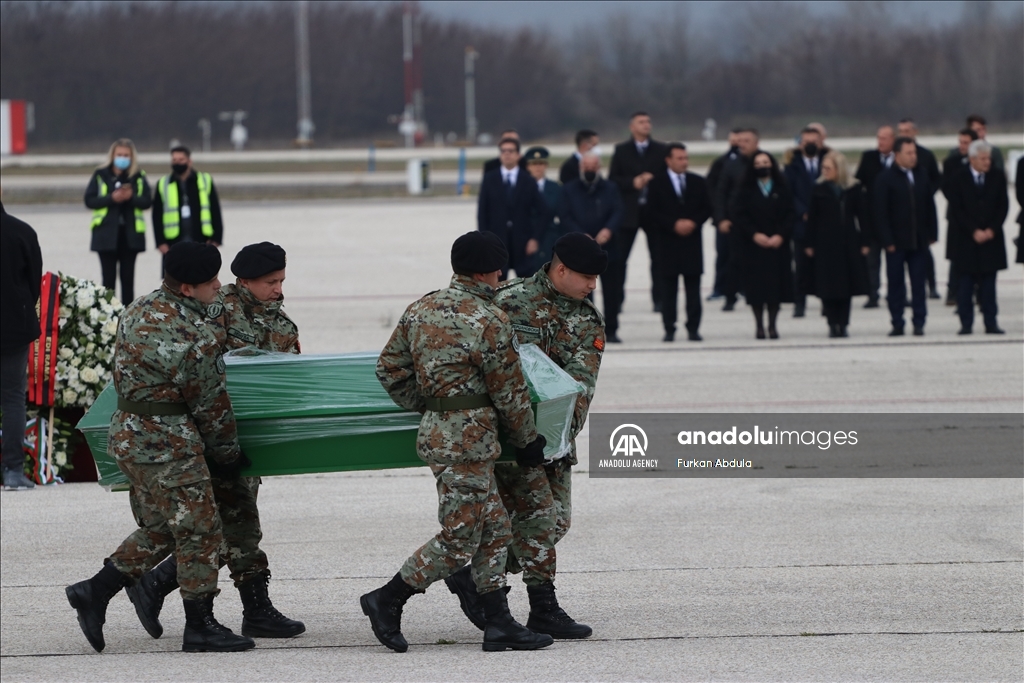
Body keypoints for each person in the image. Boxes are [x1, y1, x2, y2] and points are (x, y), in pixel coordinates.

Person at [363, 231, 552, 654]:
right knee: (459, 538)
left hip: (442, 435)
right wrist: (527, 440)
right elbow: (509, 391)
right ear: (489, 272)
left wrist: (435, 406)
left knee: (496, 529)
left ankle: (499, 622)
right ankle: (388, 598)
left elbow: (389, 369)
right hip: (471, 443)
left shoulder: (421, 308)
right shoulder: (489, 319)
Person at [65, 242, 254, 654]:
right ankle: (200, 625)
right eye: (211, 281)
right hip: (168, 447)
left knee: (163, 527)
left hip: (128, 437)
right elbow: (211, 406)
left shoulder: (138, 308)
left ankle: (94, 591)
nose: (218, 286)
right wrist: (228, 455)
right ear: (187, 288)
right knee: (201, 530)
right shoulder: (195, 336)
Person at [126, 242, 304, 642]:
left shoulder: (282, 325)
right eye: (270, 282)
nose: (278, 290)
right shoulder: (213, 309)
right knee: (215, 529)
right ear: (244, 281)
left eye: (281, 281)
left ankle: (254, 609)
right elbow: (199, 379)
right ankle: (156, 586)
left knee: (241, 528)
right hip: (206, 437)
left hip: (243, 438)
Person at [444, 232, 607, 641]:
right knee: (539, 519)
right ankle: (542, 607)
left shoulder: (587, 321)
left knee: (557, 522)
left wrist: (558, 439)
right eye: (586, 277)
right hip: (508, 436)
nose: (592, 286)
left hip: (553, 441)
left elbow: (581, 388)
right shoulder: (506, 300)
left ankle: (476, 577)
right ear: (561, 269)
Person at [647, 143, 713, 341]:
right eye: (680, 158)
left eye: (686, 158)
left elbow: (707, 207)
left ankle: (693, 328)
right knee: (668, 290)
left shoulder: (698, 181)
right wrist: (673, 224)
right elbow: (651, 211)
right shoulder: (656, 183)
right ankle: (669, 328)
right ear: (668, 160)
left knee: (693, 288)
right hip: (667, 242)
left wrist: (693, 222)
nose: (684, 162)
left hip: (692, 242)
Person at [873, 137, 939, 336]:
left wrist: (932, 232)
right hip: (896, 242)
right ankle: (897, 322)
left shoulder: (921, 174)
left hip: (918, 240)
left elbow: (929, 205)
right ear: (897, 155)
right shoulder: (885, 178)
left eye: (914, 153)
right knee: (896, 284)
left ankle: (919, 321)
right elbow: (880, 213)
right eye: (909, 153)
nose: (913, 157)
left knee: (918, 283)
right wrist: (887, 240)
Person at [946, 140, 1009, 335]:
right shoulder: (959, 178)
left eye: (988, 158)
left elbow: (1003, 206)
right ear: (972, 159)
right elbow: (957, 210)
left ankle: (991, 322)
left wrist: (992, 230)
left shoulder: (997, 176)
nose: (987, 162)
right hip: (966, 240)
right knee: (965, 286)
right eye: (983, 159)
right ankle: (966, 323)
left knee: (989, 286)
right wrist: (973, 230)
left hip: (991, 240)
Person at [559, 153, 624, 341]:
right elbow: (564, 215)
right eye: (586, 166)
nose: (589, 169)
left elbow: (618, 210)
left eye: (593, 166)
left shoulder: (611, 188)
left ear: (599, 167)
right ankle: (587, 330)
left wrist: (608, 230)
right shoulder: (569, 189)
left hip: (608, 247)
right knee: (583, 292)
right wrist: (581, 235)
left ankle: (611, 330)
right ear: (580, 168)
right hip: (581, 251)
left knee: (612, 291)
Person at [804, 152, 870, 338]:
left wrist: (865, 241)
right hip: (824, 243)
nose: (824, 171)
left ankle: (843, 323)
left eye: (828, 168)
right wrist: (809, 243)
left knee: (846, 286)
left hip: (848, 242)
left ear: (838, 169)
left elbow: (863, 217)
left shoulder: (853, 189)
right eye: (823, 168)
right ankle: (832, 322)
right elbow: (812, 219)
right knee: (827, 286)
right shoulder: (818, 189)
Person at [608, 112, 668, 312]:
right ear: (632, 127)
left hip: (654, 211)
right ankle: (616, 301)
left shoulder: (661, 149)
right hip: (629, 212)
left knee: (659, 259)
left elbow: (668, 177)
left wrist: (654, 179)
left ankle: (660, 300)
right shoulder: (621, 150)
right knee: (620, 260)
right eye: (641, 122)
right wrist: (632, 183)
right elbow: (613, 179)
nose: (646, 125)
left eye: (648, 121)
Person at [1, 203, 43, 491]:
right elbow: (34, 282)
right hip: (14, 324)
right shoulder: (22, 231)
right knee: (13, 398)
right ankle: (13, 470)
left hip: (14, 324)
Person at [734, 151, 795, 339]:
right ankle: (759, 325)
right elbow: (739, 215)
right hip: (753, 246)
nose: (762, 166)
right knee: (756, 287)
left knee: (776, 287)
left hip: (778, 245)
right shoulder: (745, 189)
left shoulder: (782, 187)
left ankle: (773, 325)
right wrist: (754, 234)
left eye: (766, 162)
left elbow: (791, 214)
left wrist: (781, 235)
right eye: (758, 163)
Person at [84, 138, 152, 304]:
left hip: (130, 236)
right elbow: (89, 200)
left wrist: (131, 197)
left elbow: (147, 201)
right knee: (108, 279)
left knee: (128, 279)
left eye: (126, 155)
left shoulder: (138, 176)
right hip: (106, 235)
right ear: (113, 156)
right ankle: (108, 313)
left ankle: (128, 313)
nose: (123, 158)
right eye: (119, 155)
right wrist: (111, 198)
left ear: (132, 157)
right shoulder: (101, 175)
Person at [478, 137, 547, 279]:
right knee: (496, 286)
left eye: (510, 151)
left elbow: (543, 211)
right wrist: (484, 240)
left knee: (527, 286)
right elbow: (482, 212)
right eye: (503, 151)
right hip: (497, 243)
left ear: (518, 155)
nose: (507, 154)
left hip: (523, 244)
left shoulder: (528, 180)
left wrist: (535, 238)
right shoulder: (490, 179)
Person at [153, 145, 224, 268]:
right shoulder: (163, 183)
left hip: (201, 239)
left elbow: (215, 210)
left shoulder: (205, 180)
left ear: (189, 161)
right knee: (174, 275)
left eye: (181, 160)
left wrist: (217, 238)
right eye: (174, 160)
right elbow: (157, 215)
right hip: (173, 242)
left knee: (201, 274)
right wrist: (160, 242)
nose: (177, 163)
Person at [783, 127, 829, 317]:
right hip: (801, 223)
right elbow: (788, 193)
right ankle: (799, 303)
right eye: (806, 142)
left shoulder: (828, 163)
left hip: (824, 222)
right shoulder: (791, 166)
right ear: (800, 144)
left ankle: (827, 302)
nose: (810, 145)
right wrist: (803, 211)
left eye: (814, 142)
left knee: (825, 265)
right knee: (801, 266)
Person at [713, 128, 761, 311]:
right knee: (733, 260)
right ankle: (730, 296)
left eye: (746, 141)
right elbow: (721, 194)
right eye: (740, 141)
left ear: (756, 143)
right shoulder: (730, 165)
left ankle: (758, 294)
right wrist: (721, 219)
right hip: (736, 221)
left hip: (759, 221)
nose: (742, 145)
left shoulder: (764, 162)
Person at [896, 118, 942, 299]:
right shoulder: (895, 155)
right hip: (901, 216)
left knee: (925, 254)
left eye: (907, 131)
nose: (903, 134)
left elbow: (936, 179)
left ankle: (932, 285)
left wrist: (925, 194)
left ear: (915, 132)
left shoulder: (925, 155)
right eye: (901, 131)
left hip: (920, 213)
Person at [854, 126, 896, 309]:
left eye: (884, 138)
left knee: (895, 260)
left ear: (893, 140)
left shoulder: (899, 159)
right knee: (872, 260)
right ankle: (872, 294)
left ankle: (897, 293)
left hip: (894, 219)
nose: (880, 142)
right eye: (879, 138)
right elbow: (858, 182)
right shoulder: (869, 157)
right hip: (872, 219)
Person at [942, 128, 979, 305]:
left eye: (966, 143)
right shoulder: (951, 163)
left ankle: (978, 290)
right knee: (956, 255)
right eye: (960, 142)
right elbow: (946, 188)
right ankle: (953, 290)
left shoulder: (982, 161)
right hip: (957, 216)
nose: (962, 146)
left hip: (978, 217)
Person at [705, 129, 741, 301]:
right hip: (724, 218)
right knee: (723, 255)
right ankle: (720, 287)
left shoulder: (754, 162)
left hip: (745, 218)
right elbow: (711, 189)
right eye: (733, 139)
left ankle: (744, 287)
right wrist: (719, 216)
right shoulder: (721, 163)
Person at [523, 146, 564, 265]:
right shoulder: (521, 188)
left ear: (546, 165)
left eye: (541, 163)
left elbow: (562, 213)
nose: (538, 167)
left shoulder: (556, 188)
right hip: (527, 237)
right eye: (534, 164)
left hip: (549, 237)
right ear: (528, 166)